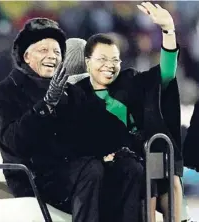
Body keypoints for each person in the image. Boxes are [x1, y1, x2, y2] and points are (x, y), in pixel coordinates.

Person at [0, 17, 144, 222]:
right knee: (91, 169)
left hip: (76, 173)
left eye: (57, 52)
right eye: (44, 50)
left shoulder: (71, 91)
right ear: (26, 56)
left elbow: (100, 125)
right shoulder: (3, 93)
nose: (52, 56)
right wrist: (46, 104)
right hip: (35, 178)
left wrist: (130, 140)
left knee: (130, 168)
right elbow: (15, 141)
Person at [73, 2, 182, 222]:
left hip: (143, 154)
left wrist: (168, 31)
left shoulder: (130, 81)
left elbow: (167, 73)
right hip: (109, 168)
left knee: (169, 176)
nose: (109, 65)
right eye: (102, 59)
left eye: (115, 60)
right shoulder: (76, 94)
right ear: (87, 63)